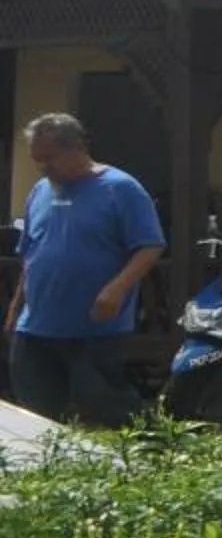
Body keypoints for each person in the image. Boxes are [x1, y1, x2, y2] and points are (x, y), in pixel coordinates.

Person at [6, 113, 164, 426]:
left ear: (77, 147)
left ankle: (155, 449)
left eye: (49, 158)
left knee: (104, 402)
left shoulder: (120, 188)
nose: (43, 167)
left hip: (94, 325)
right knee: (36, 411)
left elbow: (150, 246)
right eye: (37, 160)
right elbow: (31, 254)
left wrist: (116, 289)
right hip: (36, 324)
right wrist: (15, 307)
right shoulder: (40, 191)